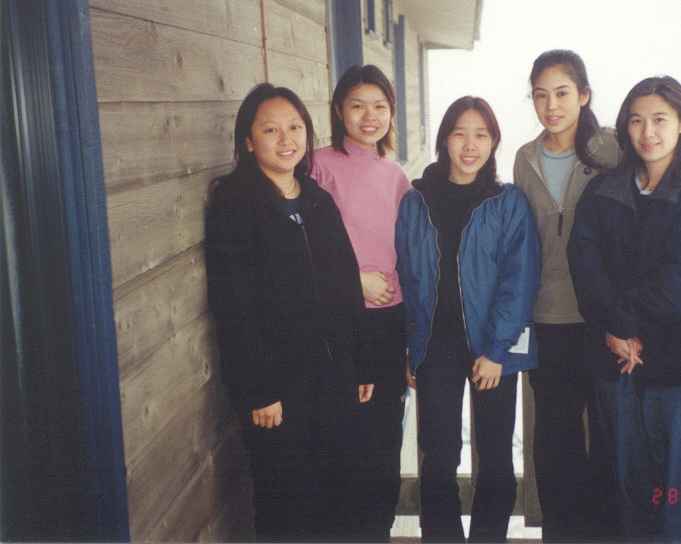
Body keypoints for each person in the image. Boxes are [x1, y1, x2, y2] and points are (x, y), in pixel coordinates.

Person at [204, 83, 373, 542]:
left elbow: (347, 285)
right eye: (270, 129)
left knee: (339, 497)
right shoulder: (234, 206)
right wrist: (258, 388)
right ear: (247, 141)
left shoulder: (319, 201)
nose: (286, 139)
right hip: (277, 389)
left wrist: (361, 363)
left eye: (295, 127)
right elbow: (232, 305)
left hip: (335, 378)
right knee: (287, 507)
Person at [567, 76, 681, 542]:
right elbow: (584, 262)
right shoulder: (603, 190)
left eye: (660, 119)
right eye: (636, 121)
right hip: (616, 362)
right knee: (629, 488)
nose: (648, 132)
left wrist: (621, 322)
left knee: (678, 492)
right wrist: (614, 327)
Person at [396, 96, 540, 543]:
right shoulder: (415, 200)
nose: (470, 144)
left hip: (493, 346)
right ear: (445, 139)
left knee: (495, 458)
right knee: (439, 458)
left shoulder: (508, 203)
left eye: (481, 134)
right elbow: (406, 277)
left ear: (494, 142)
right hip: (435, 347)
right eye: (460, 133)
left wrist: (496, 350)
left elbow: (519, 281)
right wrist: (410, 348)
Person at [512, 49, 621, 542]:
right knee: (555, 441)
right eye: (541, 94)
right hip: (547, 319)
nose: (551, 105)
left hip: (602, 319)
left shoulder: (611, 150)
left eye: (562, 92)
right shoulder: (525, 158)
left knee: (606, 434)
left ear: (584, 95)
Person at [309, 64, 411, 542]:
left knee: (385, 441)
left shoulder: (395, 174)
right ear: (338, 110)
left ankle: (378, 532)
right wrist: (354, 283)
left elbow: (407, 251)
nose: (370, 116)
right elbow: (302, 248)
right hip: (341, 323)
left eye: (380, 106)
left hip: (391, 323)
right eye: (357, 105)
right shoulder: (318, 166)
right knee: (345, 441)